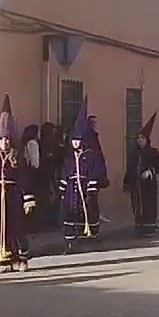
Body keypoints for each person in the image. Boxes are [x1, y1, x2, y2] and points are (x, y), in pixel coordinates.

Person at [0, 96, 34, 273]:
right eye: (2, 139)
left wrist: (27, 199)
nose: (5, 142)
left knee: (16, 226)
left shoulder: (18, 158)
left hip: (13, 195)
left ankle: (20, 259)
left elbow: (24, 179)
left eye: (8, 139)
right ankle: (3, 261)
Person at [59, 98, 107, 247]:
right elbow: (65, 173)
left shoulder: (90, 156)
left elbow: (94, 171)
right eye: (73, 140)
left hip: (85, 188)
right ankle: (71, 237)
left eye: (78, 140)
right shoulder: (69, 157)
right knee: (71, 211)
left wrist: (91, 187)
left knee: (87, 210)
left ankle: (88, 234)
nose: (75, 143)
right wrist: (63, 188)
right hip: (71, 190)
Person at [123, 112, 159, 236]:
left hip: (148, 186)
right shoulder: (134, 153)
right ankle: (139, 227)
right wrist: (127, 184)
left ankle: (149, 228)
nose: (140, 140)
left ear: (147, 140)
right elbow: (130, 168)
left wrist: (149, 171)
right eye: (139, 138)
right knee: (136, 206)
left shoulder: (153, 152)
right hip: (136, 185)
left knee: (148, 205)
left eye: (142, 138)